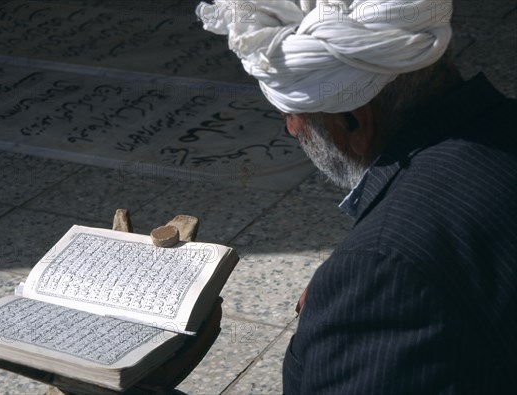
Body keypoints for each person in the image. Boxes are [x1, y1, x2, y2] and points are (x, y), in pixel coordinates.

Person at [196, 0, 517, 393]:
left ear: (354, 121)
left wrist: (344, 298)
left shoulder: (378, 277)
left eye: (291, 116)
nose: (293, 131)